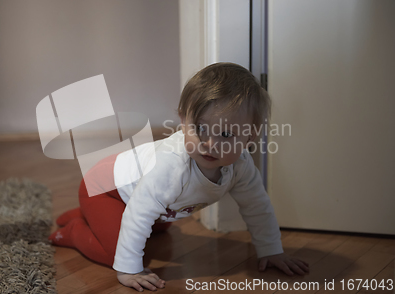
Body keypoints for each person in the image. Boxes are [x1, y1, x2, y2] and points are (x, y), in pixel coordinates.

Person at [50, 62, 309, 291]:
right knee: (115, 253)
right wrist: (129, 269)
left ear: (250, 137)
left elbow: (257, 207)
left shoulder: (241, 167)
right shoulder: (171, 166)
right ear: (183, 120)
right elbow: (139, 212)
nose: (210, 143)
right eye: (200, 129)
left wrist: (271, 250)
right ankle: (74, 231)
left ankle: (87, 215)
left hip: (139, 196)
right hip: (104, 188)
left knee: (160, 227)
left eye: (226, 135)